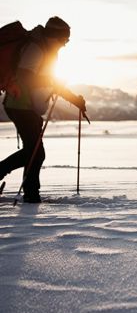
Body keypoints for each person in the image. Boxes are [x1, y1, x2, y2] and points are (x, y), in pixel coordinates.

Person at [0, 16, 86, 203]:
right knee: (35, 151)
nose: (65, 44)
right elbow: (25, 76)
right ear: (54, 36)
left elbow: (51, 82)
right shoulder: (36, 49)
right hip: (20, 105)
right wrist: (52, 83)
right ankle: (29, 192)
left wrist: (74, 99)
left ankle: (31, 193)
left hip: (26, 106)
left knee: (34, 151)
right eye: (64, 40)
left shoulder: (46, 50)